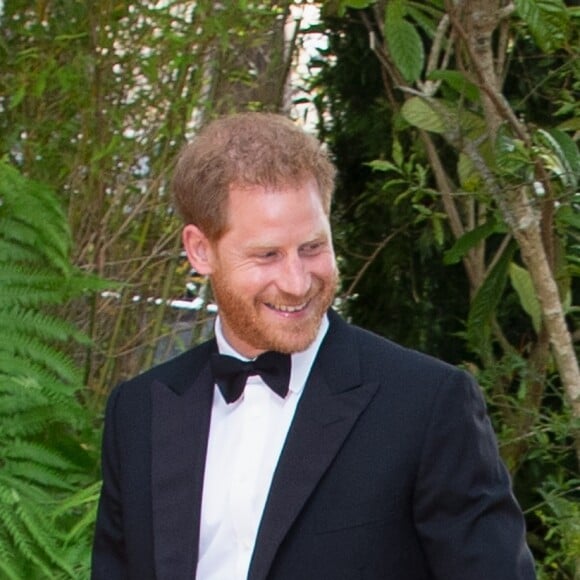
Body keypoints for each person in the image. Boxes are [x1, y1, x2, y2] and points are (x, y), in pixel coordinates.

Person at [91, 112, 536, 579]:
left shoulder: (427, 405)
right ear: (201, 250)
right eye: (267, 255)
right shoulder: (139, 411)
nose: (297, 282)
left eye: (312, 248)